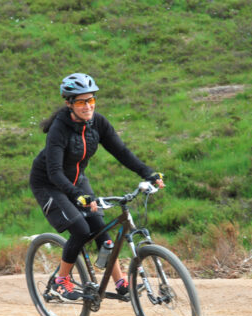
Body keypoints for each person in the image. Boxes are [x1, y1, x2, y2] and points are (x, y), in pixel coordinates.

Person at [29, 73, 165, 302]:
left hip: (76, 180)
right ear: (69, 103)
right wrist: (77, 195)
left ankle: (121, 282)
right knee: (81, 230)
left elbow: (121, 152)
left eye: (91, 100)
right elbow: (54, 172)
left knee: (102, 231)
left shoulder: (98, 123)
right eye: (81, 102)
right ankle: (60, 282)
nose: (87, 106)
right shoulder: (59, 129)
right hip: (49, 183)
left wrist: (148, 174)